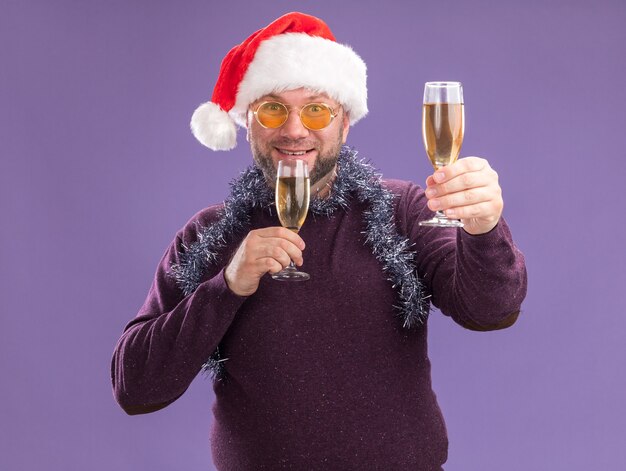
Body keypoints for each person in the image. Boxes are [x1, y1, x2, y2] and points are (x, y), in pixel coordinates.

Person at [111, 11, 527, 470]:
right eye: (272, 108)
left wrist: (484, 227)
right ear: (247, 122)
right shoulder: (211, 233)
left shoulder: (401, 210)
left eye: (316, 109)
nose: (293, 129)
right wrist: (227, 285)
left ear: (344, 123)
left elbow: (491, 309)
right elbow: (135, 387)